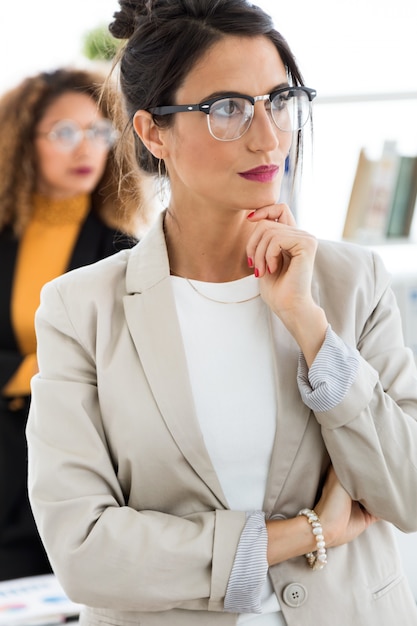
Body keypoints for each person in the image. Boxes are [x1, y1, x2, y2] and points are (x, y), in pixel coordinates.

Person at [26, 2, 417, 625]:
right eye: (228, 109)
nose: (269, 137)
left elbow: (408, 492)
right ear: (153, 133)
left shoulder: (351, 283)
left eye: (280, 100)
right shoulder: (82, 310)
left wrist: (310, 327)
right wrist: (307, 532)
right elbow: (85, 554)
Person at [0, 67, 146, 581]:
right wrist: (50, 370)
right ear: (21, 143)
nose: (85, 148)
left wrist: (34, 371)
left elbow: (127, 367)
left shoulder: (124, 252)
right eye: (64, 132)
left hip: (86, 466)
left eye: (99, 132)